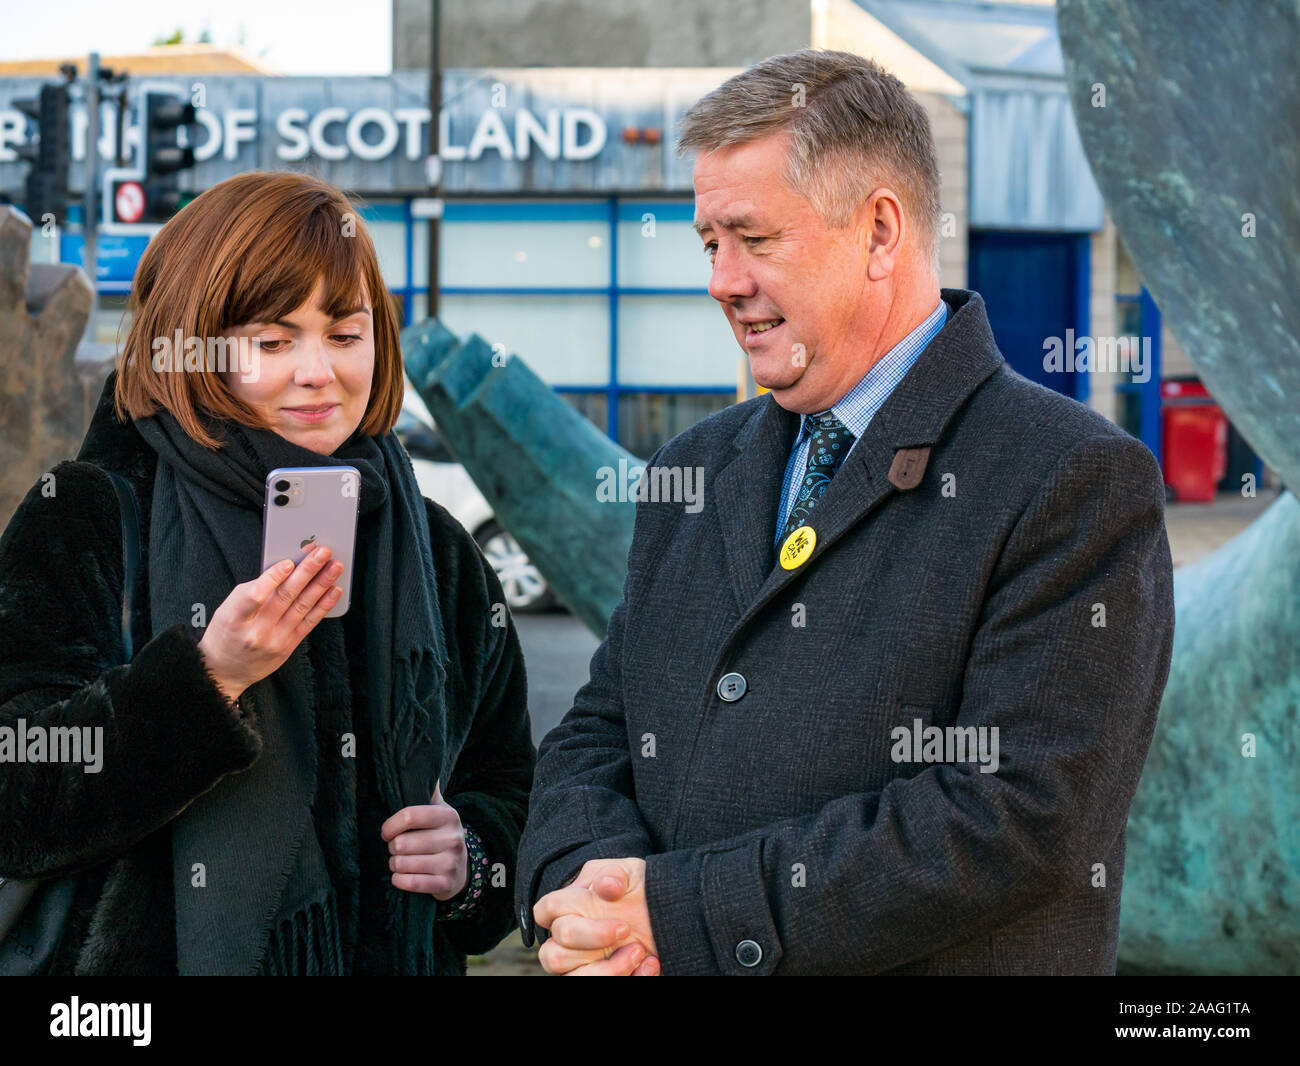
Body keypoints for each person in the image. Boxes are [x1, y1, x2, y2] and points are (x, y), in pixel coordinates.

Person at [515, 50, 1175, 976]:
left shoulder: (1073, 478)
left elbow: (1017, 819)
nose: (721, 280)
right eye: (710, 243)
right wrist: (589, 897)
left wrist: (678, 915)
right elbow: (598, 730)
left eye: (754, 238)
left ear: (878, 232)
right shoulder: (693, 467)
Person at [0, 171, 535, 975]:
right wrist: (205, 679)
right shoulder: (92, 515)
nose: (319, 372)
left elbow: (513, 788)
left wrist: (474, 860)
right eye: (273, 340)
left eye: (346, 334)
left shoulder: (439, 550)